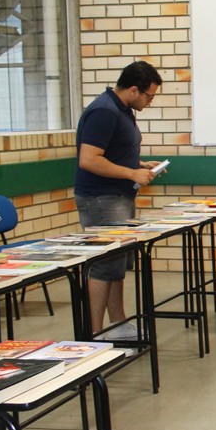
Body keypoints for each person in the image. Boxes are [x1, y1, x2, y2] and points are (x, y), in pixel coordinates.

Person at [74, 60, 165, 339]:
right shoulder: (104, 111)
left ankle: (117, 323)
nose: (150, 101)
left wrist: (139, 164)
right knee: (103, 265)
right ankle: (95, 334)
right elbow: (89, 160)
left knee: (117, 264)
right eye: (150, 96)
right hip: (101, 198)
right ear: (134, 90)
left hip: (119, 195)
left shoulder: (122, 109)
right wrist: (131, 172)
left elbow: (112, 152)